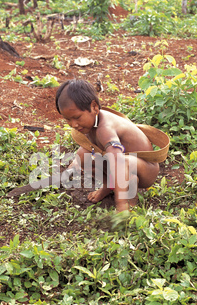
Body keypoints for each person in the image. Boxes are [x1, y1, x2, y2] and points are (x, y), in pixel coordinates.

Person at [55, 79, 161, 213]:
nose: (73, 124)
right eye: (68, 119)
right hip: (124, 162)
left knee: (123, 162)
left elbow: (118, 161)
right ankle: (109, 186)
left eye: (77, 117)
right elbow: (88, 147)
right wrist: (73, 167)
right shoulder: (91, 122)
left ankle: (128, 202)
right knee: (83, 156)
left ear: (94, 107)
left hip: (146, 169)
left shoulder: (105, 128)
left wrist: (120, 202)